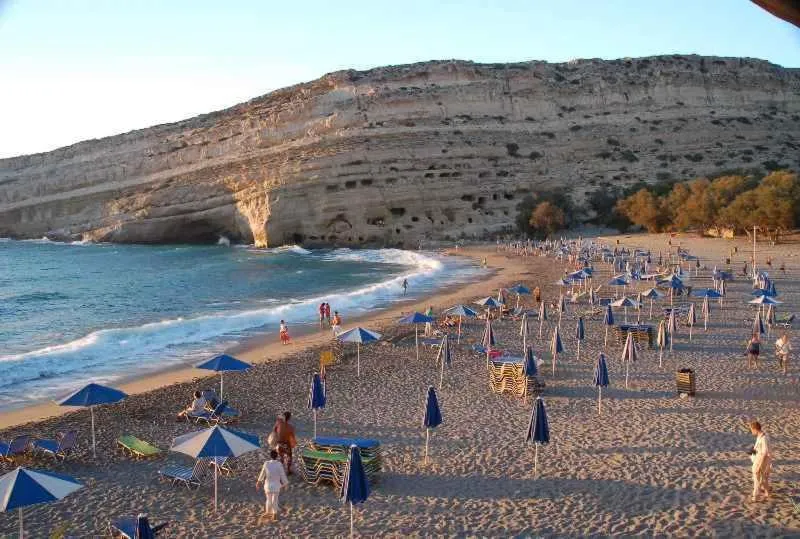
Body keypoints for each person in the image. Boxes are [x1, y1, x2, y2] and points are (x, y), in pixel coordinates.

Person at [256, 449, 289, 520]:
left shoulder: (266, 463)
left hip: (268, 485)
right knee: (275, 500)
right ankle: (274, 513)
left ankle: (268, 512)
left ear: (270, 456)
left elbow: (262, 473)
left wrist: (258, 482)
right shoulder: (279, 464)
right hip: (276, 485)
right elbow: (282, 475)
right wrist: (285, 483)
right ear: (277, 456)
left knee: (268, 499)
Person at [748, 420, 771, 502]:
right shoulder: (761, 436)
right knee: (763, 478)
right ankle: (767, 492)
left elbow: (765, 453)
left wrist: (759, 466)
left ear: (755, 429)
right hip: (759, 459)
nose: (751, 432)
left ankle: (755, 496)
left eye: (751, 430)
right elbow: (761, 449)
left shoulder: (763, 438)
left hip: (761, 460)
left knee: (757, 478)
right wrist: (753, 451)